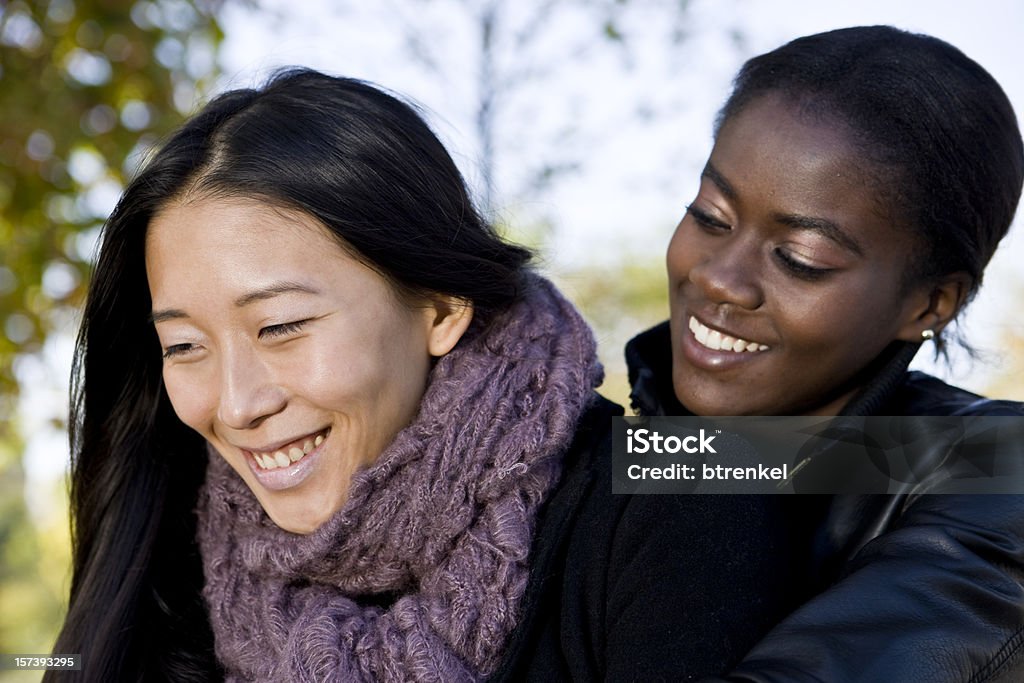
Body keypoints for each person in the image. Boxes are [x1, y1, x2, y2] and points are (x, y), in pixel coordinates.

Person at [50, 69, 801, 682]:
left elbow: (901, 467)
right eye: (184, 346)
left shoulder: (670, 509)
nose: (239, 402)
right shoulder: (164, 563)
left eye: (280, 327)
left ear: (440, 308)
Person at [626, 26, 1024, 681]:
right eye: (709, 216)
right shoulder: (640, 457)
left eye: (799, 259)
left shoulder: (993, 464)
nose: (719, 279)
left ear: (930, 304)